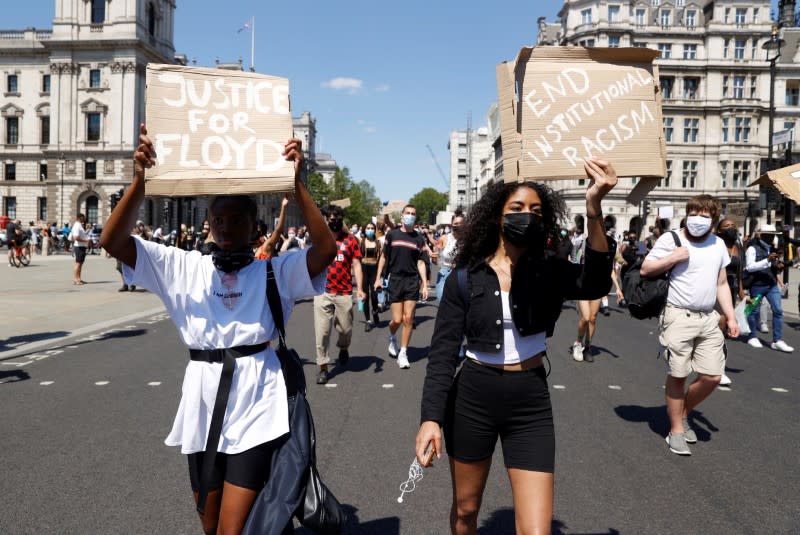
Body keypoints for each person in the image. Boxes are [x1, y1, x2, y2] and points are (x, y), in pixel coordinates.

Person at [100, 124, 336, 535]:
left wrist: (297, 184)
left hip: (256, 402)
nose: (227, 228)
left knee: (233, 528)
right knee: (208, 524)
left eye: (238, 220)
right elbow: (113, 241)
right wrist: (139, 182)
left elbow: (326, 250)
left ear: (255, 226)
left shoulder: (273, 272)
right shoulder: (182, 266)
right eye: (219, 219)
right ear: (209, 222)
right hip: (202, 399)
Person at [416, 159, 616, 535]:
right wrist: (431, 419)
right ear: (497, 217)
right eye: (517, 209)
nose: (527, 216)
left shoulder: (550, 270)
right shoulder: (464, 278)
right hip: (473, 397)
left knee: (536, 530)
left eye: (536, 211)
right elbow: (442, 354)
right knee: (465, 512)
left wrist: (594, 208)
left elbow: (595, 282)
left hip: (530, 402)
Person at [641, 195, 739, 456]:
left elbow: (721, 284)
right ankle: (676, 430)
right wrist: (673, 258)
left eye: (705, 215)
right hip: (677, 316)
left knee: (712, 376)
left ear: (713, 219)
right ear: (687, 214)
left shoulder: (718, 244)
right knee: (679, 373)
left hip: (707, 317)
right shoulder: (671, 239)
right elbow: (646, 269)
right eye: (694, 212)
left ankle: (683, 412)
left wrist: (730, 316)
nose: (698, 219)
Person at [313, 205, 364, 385]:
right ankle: (323, 367)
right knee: (322, 332)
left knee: (345, 329)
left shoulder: (351, 240)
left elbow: (357, 265)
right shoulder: (319, 239)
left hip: (344, 292)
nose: (334, 222)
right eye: (331, 219)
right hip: (322, 291)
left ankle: (344, 347)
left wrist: (361, 288)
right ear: (325, 220)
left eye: (337, 219)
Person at [374, 204, 428, 369]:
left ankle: (403, 353)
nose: (410, 216)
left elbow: (420, 262)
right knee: (397, 319)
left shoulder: (419, 238)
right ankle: (392, 337)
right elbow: (383, 257)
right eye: (408, 213)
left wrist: (425, 284)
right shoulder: (393, 235)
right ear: (402, 216)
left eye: (413, 214)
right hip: (396, 279)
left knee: (408, 318)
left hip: (412, 281)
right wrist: (378, 278)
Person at [743, 224, 793, 352]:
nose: (772, 238)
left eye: (774, 235)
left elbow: (773, 266)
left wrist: (778, 266)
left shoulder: (772, 249)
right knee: (753, 310)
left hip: (771, 285)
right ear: (762, 235)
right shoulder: (752, 249)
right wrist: (767, 261)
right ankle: (752, 336)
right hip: (757, 286)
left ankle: (777, 340)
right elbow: (749, 267)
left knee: (778, 310)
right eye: (770, 235)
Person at [716, 219, 745, 386]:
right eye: (726, 226)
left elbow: (739, 272)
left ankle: (715, 364)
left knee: (725, 328)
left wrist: (742, 293)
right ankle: (718, 369)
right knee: (720, 326)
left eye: (733, 225)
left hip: (732, 290)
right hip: (716, 289)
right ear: (719, 230)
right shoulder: (716, 245)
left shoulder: (738, 247)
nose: (731, 228)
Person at [435, 211, 465, 301]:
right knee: (443, 301)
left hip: (461, 274)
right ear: (451, 224)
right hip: (445, 273)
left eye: (461, 223)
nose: (458, 225)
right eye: (456, 223)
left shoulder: (468, 239)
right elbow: (436, 255)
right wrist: (434, 257)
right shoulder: (444, 238)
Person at [360, 220, 382, 331]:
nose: (370, 230)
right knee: (365, 296)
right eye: (368, 228)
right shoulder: (361, 242)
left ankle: (375, 311)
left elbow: (381, 259)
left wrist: (380, 275)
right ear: (364, 229)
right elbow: (357, 259)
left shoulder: (378, 243)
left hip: (374, 269)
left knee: (374, 295)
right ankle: (368, 320)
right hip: (364, 270)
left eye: (372, 228)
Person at [255, 196, 289, 261]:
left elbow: (278, 231)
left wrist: (283, 207)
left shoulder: (266, 246)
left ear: (262, 233)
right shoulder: (246, 248)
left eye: (257, 231)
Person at [71, 214, 89, 284]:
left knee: (80, 263)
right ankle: (76, 279)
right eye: (83, 217)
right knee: (78, 263)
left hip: (81, 246)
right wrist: (86, 241)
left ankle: (79, 278)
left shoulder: (79, 225)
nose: (84, 218)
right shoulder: (77, 226)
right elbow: (76, 237)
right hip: (79, 247)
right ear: (80, 218)